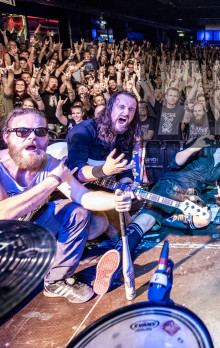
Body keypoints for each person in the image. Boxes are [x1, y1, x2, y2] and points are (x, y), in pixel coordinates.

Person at [0, 108, 133, 303]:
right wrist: (52, 181)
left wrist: (116, 200)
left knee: (77, 212)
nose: (32, 138)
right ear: (6, 137)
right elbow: (3, 213)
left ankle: (55, 281)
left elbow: (83, 196)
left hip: (29, 230)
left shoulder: (50, 163)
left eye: (40, 132)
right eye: (22, 132)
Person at [95, 126, 220, 294]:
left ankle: (164, 218)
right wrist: (195, 147)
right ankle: (116, 263)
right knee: (145, 221)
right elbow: (175, 162)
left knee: (204, 220)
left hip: (192, 197)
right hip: (171, 186)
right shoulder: (205, 144)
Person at [66, 91, 141, 240]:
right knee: (98, 225)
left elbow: (125, 171)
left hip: (104, 187)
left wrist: (126, 185)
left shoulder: (126, 136)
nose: (126, 112)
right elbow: (76, 172)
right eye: (121, 107)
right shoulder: (82, 131)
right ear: (110, 108)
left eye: (131, 109)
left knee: (126, 228)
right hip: (76, 189)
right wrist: (104, 170)